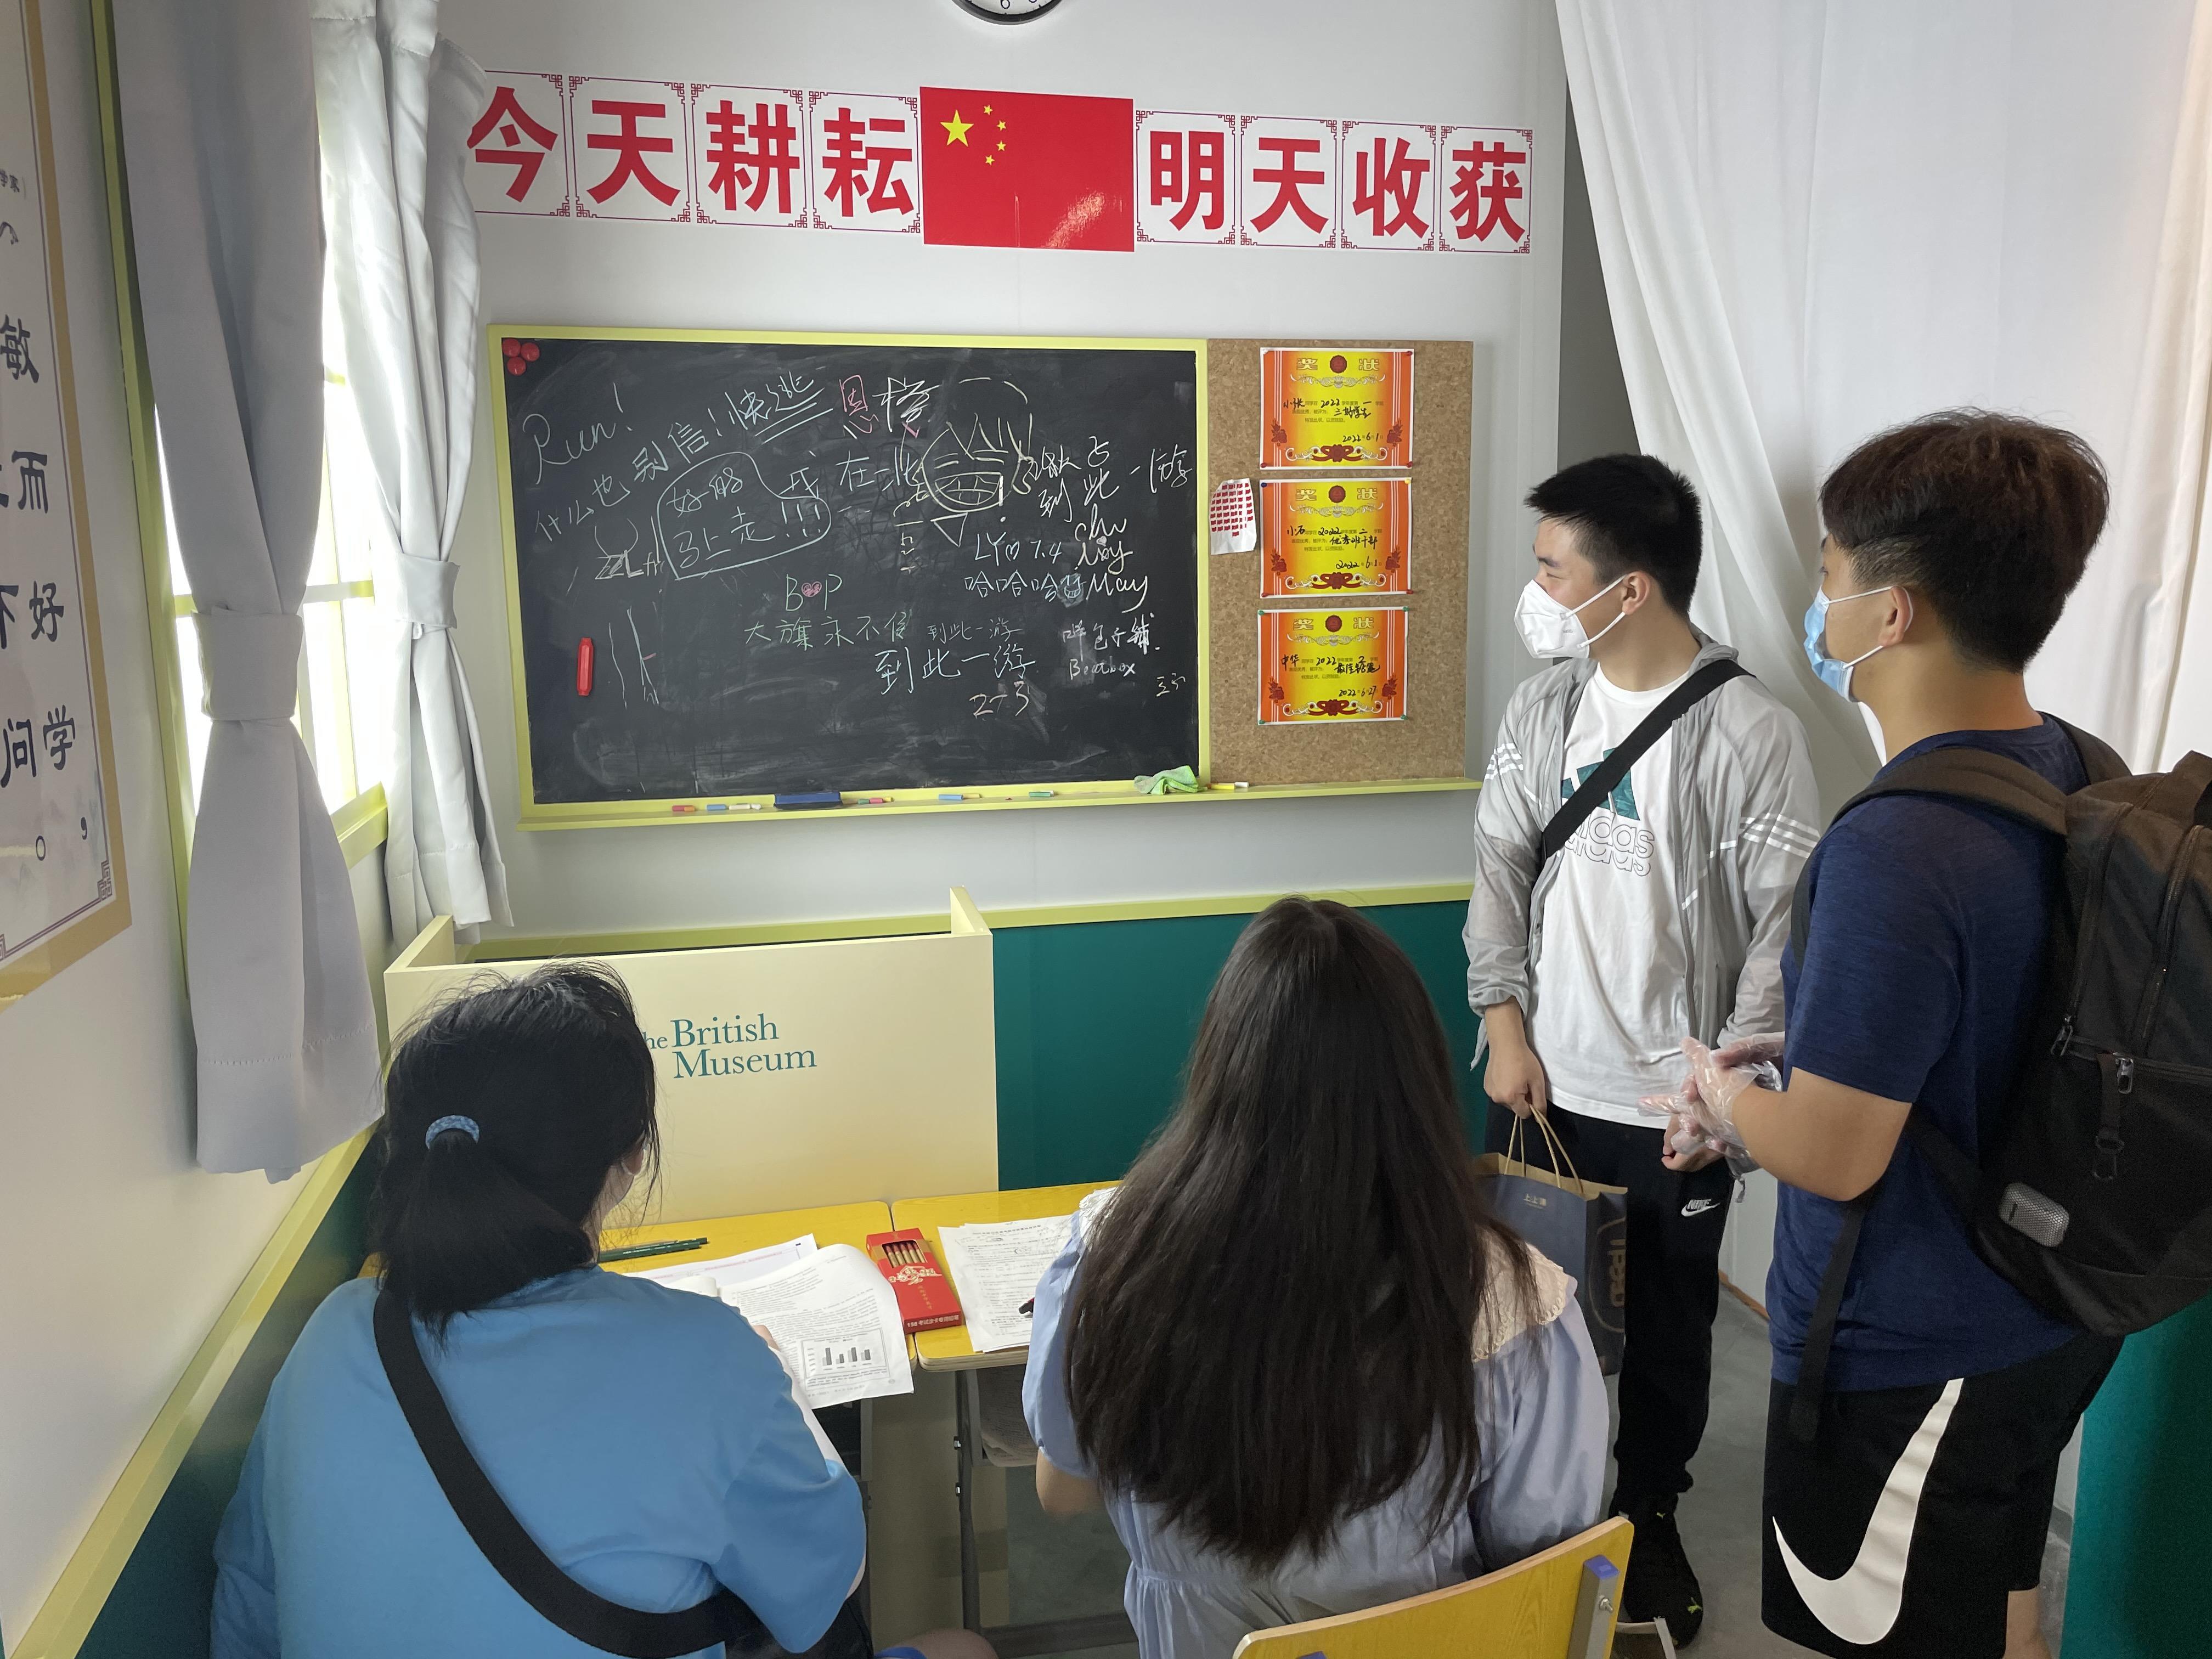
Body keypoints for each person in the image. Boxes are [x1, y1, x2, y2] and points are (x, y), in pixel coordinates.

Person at [211, 962, 989, 1659]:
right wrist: (775, 1381)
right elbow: (821, 1590)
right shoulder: (707, 1359)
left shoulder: (335, 1333)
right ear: (630, 1158)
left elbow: (249, 1603)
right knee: (962, 1647)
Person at [1691, 412, 2120, 1659]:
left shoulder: (1897, 847)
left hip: (1908, 1355)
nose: (1817, 606)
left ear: (1893, 613)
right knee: (2000, 1605)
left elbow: (1834, 1155)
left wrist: (1724, 1100)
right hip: (2052, 1314)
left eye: (1828, 574)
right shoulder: (2083, 772)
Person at [1021, 898, 1607, 1659]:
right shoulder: (1519, 1305)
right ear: (1419, 1086)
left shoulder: (1114, 1252)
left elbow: (1062, 1489)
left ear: (1222, 1068)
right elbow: (1541, 1579)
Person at [1464, 454, 1820, 1644]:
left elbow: (1783, 934)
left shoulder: (1752, 734)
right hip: (1542, 1083)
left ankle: (1648, 1513)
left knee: (1669, 1332)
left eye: (1552, 570)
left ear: (1631, 589)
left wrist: (1726, 1096)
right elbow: (1499, 865)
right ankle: (1518, 1518)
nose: (1538, 593)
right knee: (1520, 1314)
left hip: (1675, 1108)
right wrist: (1502, 1025)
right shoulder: (1543, 710)